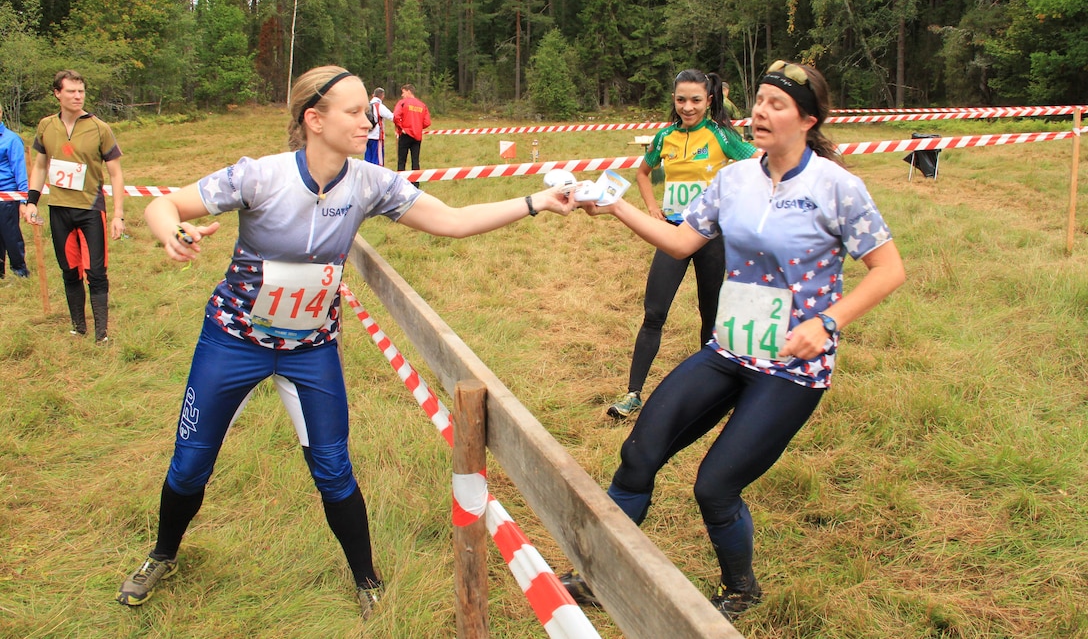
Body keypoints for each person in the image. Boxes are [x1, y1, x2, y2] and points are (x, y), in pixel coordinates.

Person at [115, 65, 575, 617]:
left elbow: (452, 220)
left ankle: (367, 579)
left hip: (311, 349)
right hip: (234, 340)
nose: (369, 120)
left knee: (333, 468)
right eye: (355, 112)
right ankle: (163, 554)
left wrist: (535, 202)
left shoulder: (369, 182)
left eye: (368, 110)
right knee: (191, 462)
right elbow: (162, 206)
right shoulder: (258, 176)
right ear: (314, 119)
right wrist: (173, 230)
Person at [564, 60, 905, 621]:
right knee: (638, 454)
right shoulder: (735, 177)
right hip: (730, 350)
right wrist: (616, 206)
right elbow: (680, 243)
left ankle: (741, 590)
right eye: (760, 100)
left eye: (777, 104)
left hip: (792, 368)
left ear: (808, 119)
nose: (760, 112)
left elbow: (888, 269)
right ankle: (597, 574)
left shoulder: (838, 188)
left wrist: (826, 323)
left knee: (715, 485)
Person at [606, 69, 757, 420]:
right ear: (673, 99)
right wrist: (652, 208)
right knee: (654, 313)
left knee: (710, 316)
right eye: (681, 100)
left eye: (696, 100)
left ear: (709, 101)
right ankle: (632, 395)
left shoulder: (720, 134)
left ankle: (710, 394)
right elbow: (643, 173)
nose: (687, 107)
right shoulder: (664, 137)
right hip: (672, 234)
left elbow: (758, 163)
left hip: (710, 237)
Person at [21, 70, 125, 341]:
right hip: (58, 209)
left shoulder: (99, 128)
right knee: (69, 270)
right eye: (71, 91)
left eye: (81, 91)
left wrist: (118, 215)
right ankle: (79, 327)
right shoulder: (46, 126)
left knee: (96, 272)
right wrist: (31, 201)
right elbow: (41, 165)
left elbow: (116, 173)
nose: (77, 96)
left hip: (91, 210)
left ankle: (101, 333)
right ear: (57, 93)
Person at [0, 104, 30, 279]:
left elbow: (20, 170)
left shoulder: (11, 139)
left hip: (7, 195)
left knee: (10, 233)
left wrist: (23, 200)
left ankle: (20, 271)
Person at [392, 83, 430, 177]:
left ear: (409, 91)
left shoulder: (402, 103)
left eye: (403, 92)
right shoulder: (422, 105)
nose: (402, 95)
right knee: (415, 160)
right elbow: (427, 122)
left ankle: (400, 182)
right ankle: (416, 182)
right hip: (417, 136)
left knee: (402, 160)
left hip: (405, 134)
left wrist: (401, 127)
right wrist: (418, 127)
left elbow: (396, 116)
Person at [364, 87, 394, 167]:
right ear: (382, 96)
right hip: (377, 136)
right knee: (377, 160)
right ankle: (376, 178)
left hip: (367, 135)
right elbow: (391, 117)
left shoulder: (366, 106)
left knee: (367, 160)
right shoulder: (379, 106)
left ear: (373, 95)